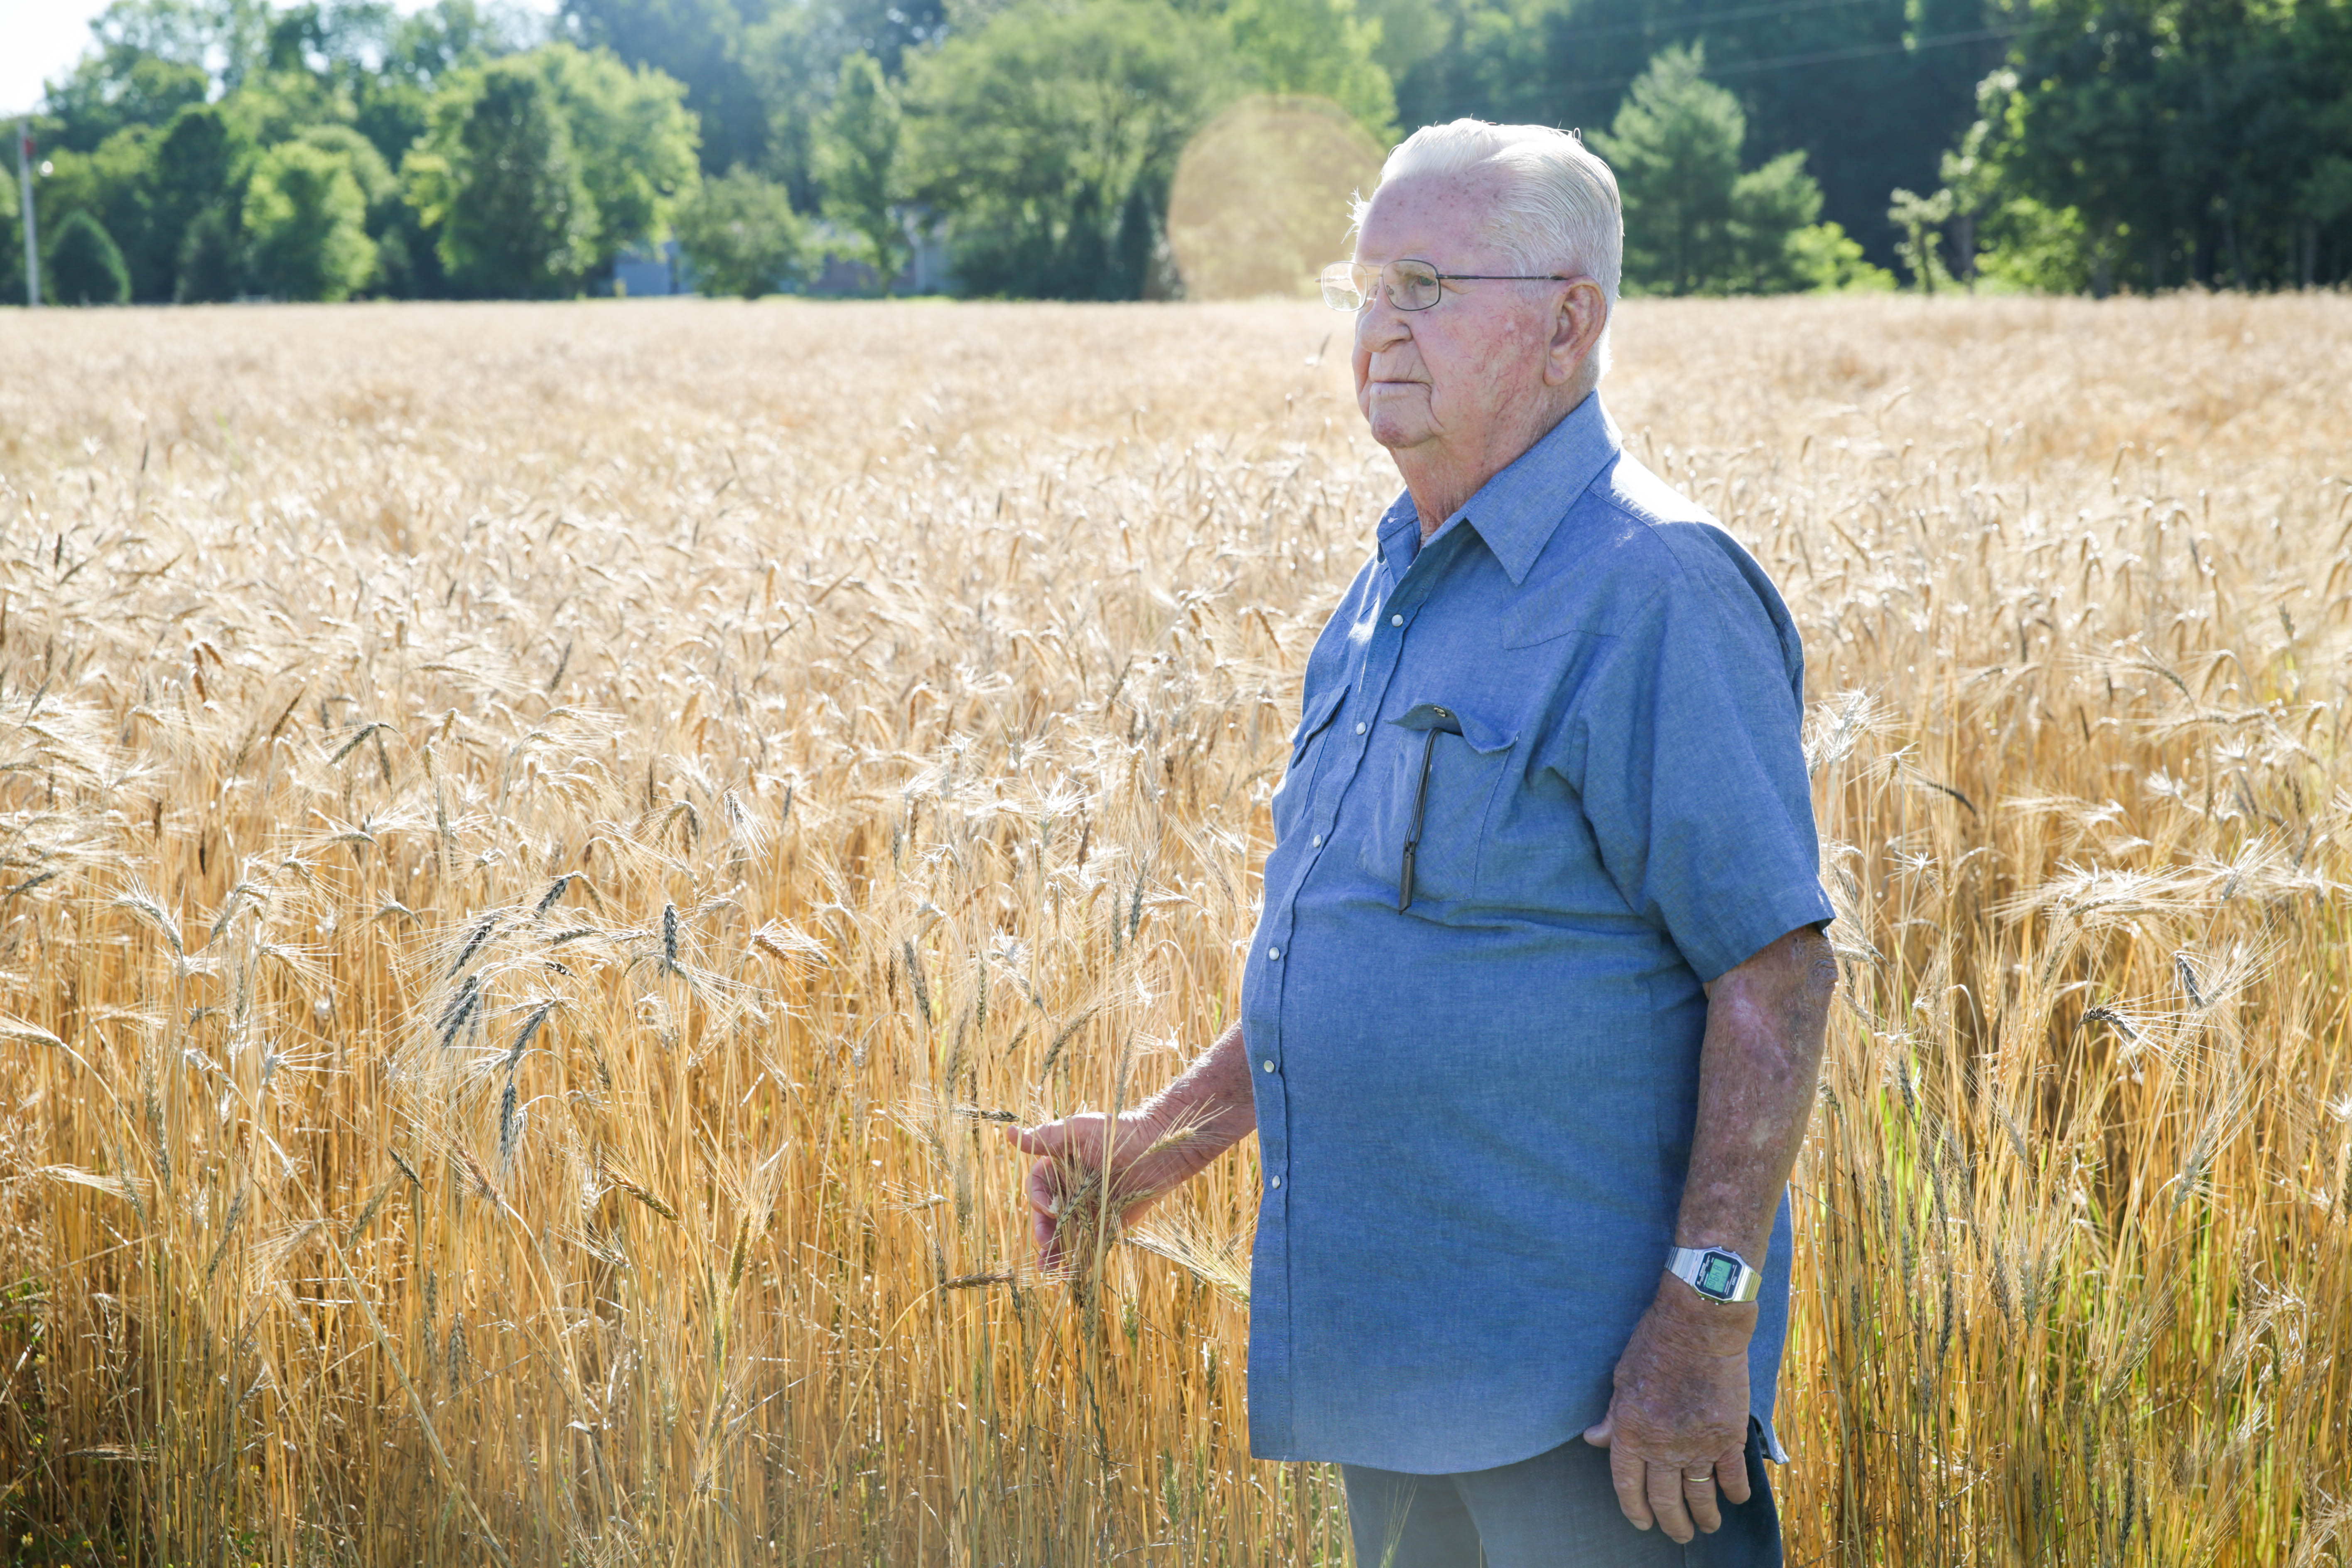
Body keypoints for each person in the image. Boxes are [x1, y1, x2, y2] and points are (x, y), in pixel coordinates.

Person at [1008, 119, 1838, 1567]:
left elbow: (1774, 973)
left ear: (1570, 321)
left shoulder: (1654, 588)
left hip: (1589, 1413)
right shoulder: (1391, 587)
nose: (1378, 328)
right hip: (1392, 1379)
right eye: (1366, 288)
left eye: (1427, 286)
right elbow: (1360, 949)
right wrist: (1153, 1149)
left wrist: (1704, 1319)